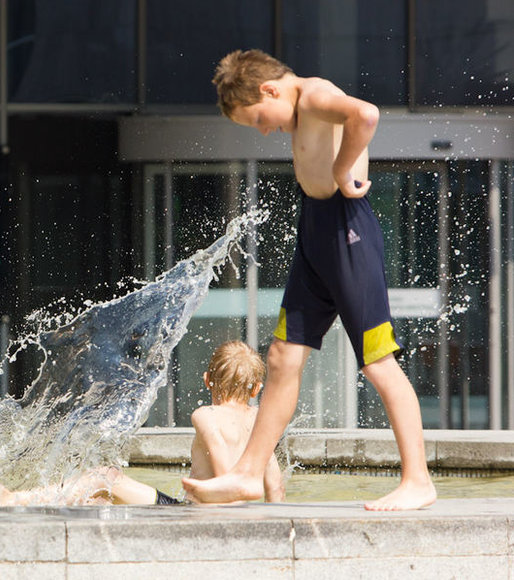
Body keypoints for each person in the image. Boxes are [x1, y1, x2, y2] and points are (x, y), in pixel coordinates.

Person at [182, 49, 437, 511]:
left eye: (258, 118)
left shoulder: (315, 94)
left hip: (347, 234)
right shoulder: (297, 108)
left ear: (269, 89)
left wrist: (343, 168)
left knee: (377, 361)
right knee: (281, 356)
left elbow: (366, 113)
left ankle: (418, 480)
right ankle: (246, 473)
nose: (263, 129)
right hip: (317, 232)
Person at [0, 341, 284, 506]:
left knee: (103, 477)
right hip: (225, 516)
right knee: (97, 498)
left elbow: (225, 477)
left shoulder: (206, 415)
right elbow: (276, 489)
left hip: (193, 517)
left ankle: (10, 498)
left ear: (207, 380)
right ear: (257, 390)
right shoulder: (261, 421)